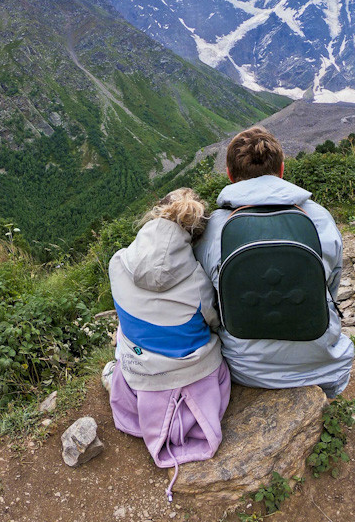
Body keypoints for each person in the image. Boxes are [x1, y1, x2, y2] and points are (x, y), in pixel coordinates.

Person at [194, 126, 354, 398]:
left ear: (231, 176)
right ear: (281, 170)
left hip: (244, 371)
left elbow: (206, 304)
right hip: (326, 371)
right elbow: (330, 284)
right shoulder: (318, 218)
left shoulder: (213, 229)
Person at [104, 188, 230, 501]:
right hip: (194, 374)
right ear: (195, 236)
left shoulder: (117, 262)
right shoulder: (198, 279)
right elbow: (214, 322)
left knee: (126, 337)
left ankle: (116, 380)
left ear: (155, 216)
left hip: (140, 374)